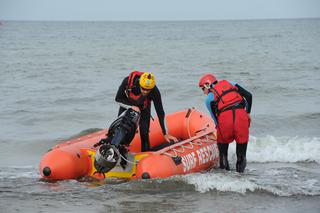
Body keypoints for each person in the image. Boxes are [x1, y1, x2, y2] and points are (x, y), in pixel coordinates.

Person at [198, 74, 252, 173]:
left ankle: (226, 180)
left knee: (223, 154)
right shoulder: (231, 84)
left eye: (202, 89)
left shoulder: (209, 99)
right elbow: (249, 96)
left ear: (207, 85)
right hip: (241, 117)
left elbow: (216, 119)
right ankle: (240, 179)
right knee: (241, 155)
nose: (204, 92)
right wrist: (247, 113)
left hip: (225, 121)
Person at [115, 71, 178, 152]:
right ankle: (117, 150)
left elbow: (160, 112)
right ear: (140, 84)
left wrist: (165, 133)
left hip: (144, 107)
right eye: (143, 89)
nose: (145, 91)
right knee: (121, 128)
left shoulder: (154, 91)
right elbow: (118, 99)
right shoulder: (127, 81)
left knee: (144, 132)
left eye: (148, 90)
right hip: (127, 104)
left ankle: (145, 154)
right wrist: (132, 107)